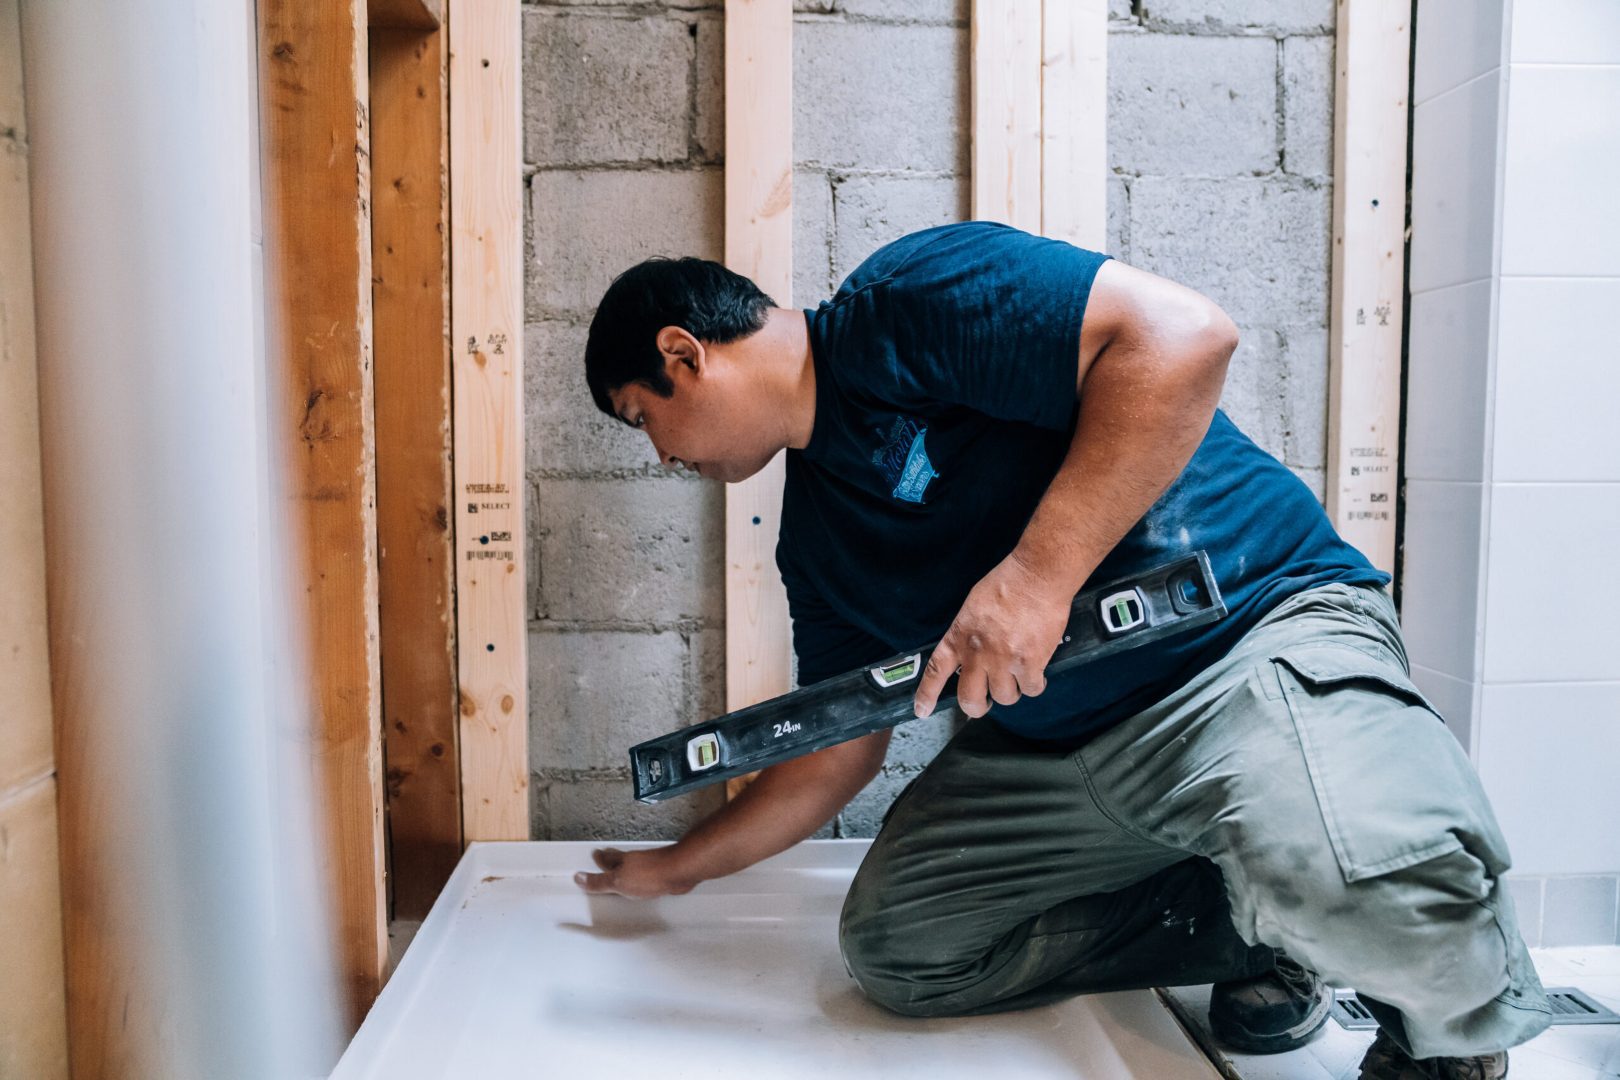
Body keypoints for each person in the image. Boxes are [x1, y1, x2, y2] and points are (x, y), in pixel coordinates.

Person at [573, 222, 1551, 1079]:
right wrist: (683, 866)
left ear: (683, 353)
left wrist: (1038, 578)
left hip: (1241, 645)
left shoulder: (907, 304)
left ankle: (1448, 1026)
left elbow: (1183, 337)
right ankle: (1262, 924)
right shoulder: (818, 546)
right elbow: (838, 754)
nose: (662, 456)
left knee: (1367, 874)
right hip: (1066, 752)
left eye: (642, 418)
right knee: (903, 951)